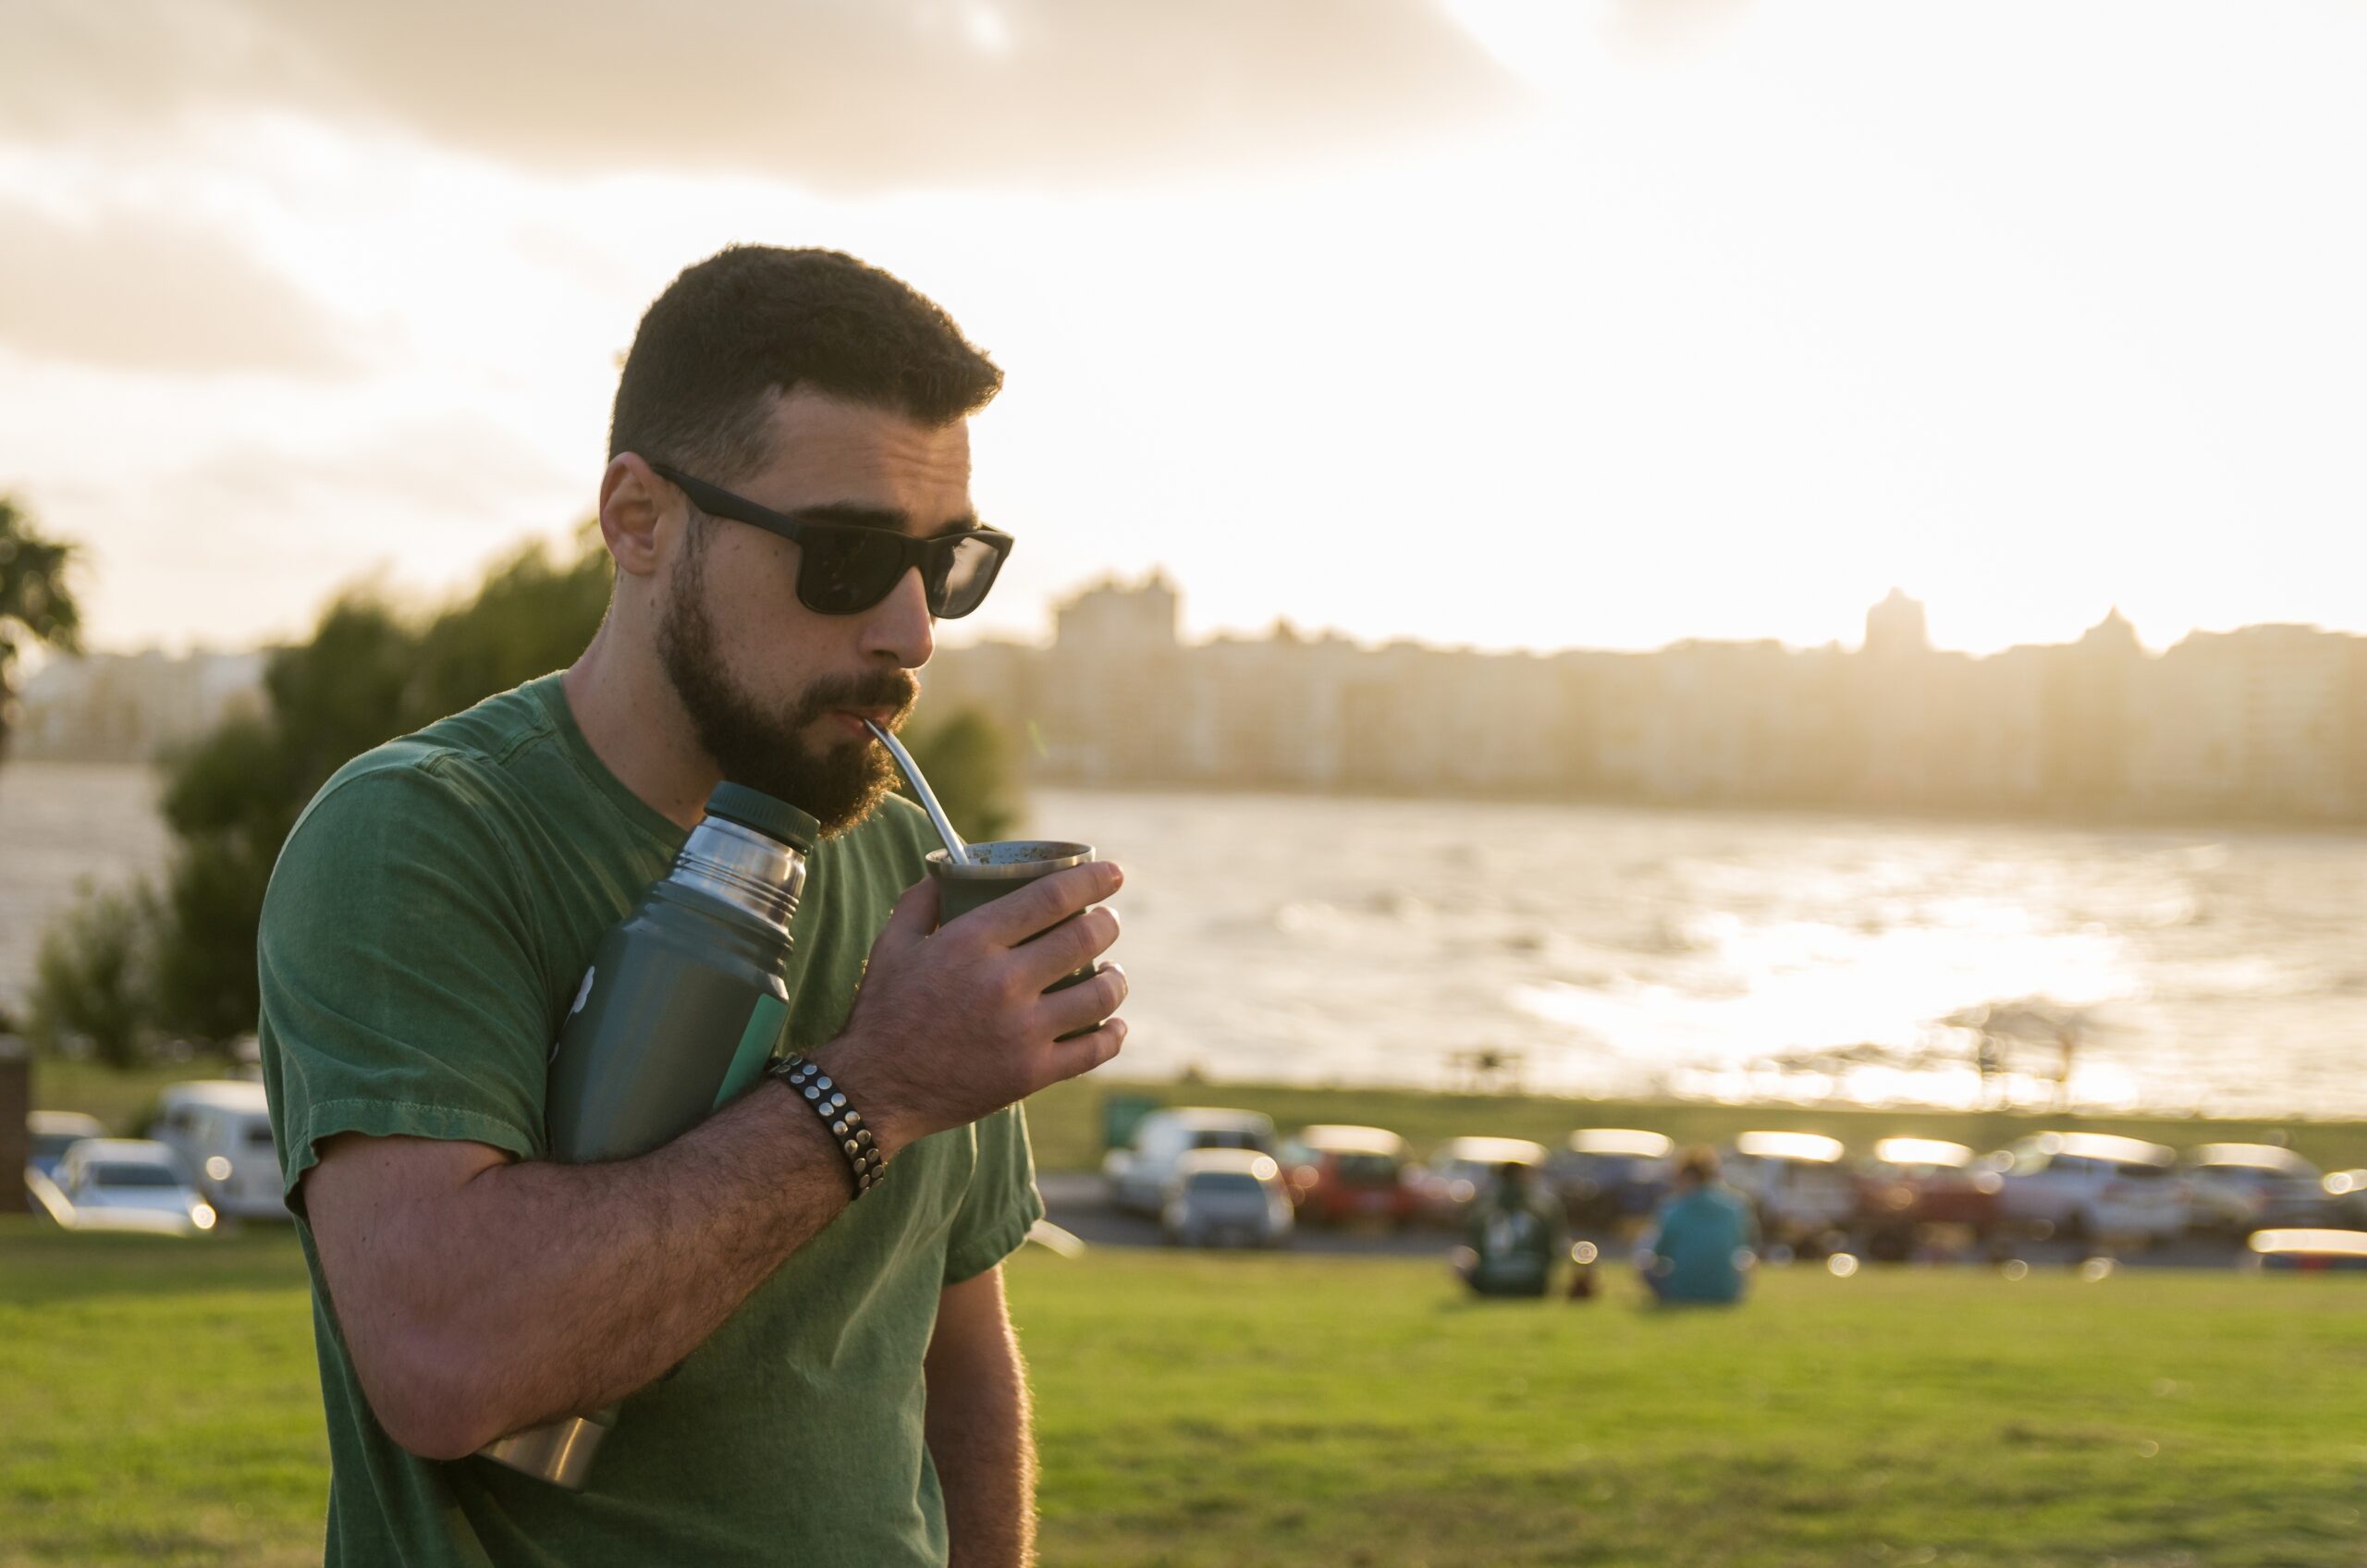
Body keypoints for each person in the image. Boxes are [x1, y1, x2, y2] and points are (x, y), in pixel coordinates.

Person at [258, 246, 1129, 1568]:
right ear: (639, 520)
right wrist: (876, 1084)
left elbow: (957, 1364)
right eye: (843, 557)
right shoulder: (421, 837)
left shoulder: (909, 873)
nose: (910, 631)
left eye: (944, 564)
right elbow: (445, 1362)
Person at [1638, 1146, 1757, 1305]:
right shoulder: (1736, 1206)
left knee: (1644, 1260)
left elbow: (1659, 1252)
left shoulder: (1673, 1208)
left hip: (1681, 1291)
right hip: (1725, 1292)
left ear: (1685, 1177)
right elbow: (1744, 1244)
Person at [1453, 1161, 1564, 1298]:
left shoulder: (1482, 1210)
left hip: (1490, 1283)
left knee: (1460, 1255)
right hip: (1533, 1284)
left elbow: (1475, 1247)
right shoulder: (1544, 1209)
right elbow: (1554, 1249)